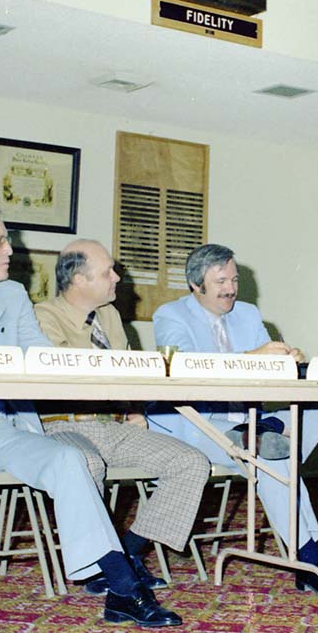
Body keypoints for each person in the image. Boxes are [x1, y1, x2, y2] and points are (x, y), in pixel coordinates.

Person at [0, 208, 181, 633]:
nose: (12, 250)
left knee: (69, 458)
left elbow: (44, 358)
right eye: (0, 241)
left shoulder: (12, 295)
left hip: (4, 427)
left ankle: (122, 588)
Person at [152, 243, 318, 599]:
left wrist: (286, 358)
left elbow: (270, 369)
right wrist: (253, 356)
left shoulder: (247, 314)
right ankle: (309, 557)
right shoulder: (170, 315)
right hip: (197, 423)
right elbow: (187, 367)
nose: (231, 288)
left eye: (234, 279)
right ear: (194, 284)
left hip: (246, 421)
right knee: (269, 458)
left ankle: (271, 433)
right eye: (220, 281)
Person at [33, 239, 211, 593]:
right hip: (61, 427)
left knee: (191, 463)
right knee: (86, 464)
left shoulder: (110, 316)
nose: (117, 277)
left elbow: (128, 371)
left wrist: (133, 407)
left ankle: (126, 554)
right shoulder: (42, 317)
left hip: (112, 425)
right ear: (79, 281)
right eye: (107, 272)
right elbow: (68, 378)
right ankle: (98, 567)